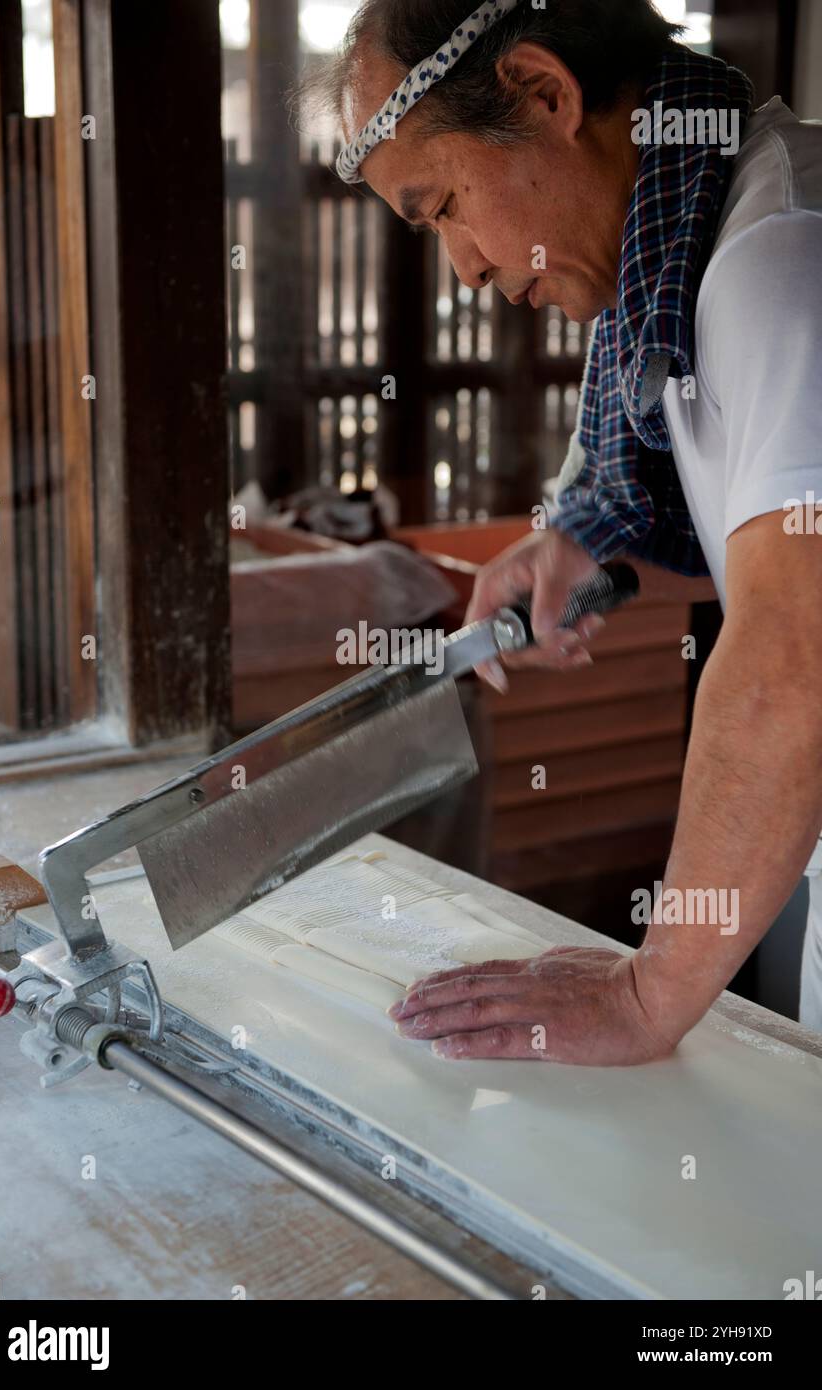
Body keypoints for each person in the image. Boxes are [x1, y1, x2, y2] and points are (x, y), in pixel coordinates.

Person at [305, 0, 822, 1063]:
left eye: (444, 205)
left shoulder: (780, 262)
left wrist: (650, 993)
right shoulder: (712, 230)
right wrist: (580, 539)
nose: (466, 271)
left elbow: (794, 658)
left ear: (546, 94)